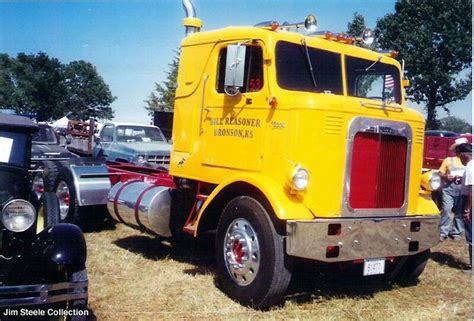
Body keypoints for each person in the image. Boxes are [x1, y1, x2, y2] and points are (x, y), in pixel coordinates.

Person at [438, 137, 468, 241]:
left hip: (462, 191)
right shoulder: (448, 160)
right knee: (446, 210)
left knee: (459, 212)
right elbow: (440, 172)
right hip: (449, 190)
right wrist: (446, 177)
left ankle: (456, 232)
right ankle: (443, 232)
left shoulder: (468, 162)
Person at [459, 143, 472, 268]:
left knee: (471, 234)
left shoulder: (469, 168)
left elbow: (471, 190)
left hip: (469, 202)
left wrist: (467, 209)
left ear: (463, 155)